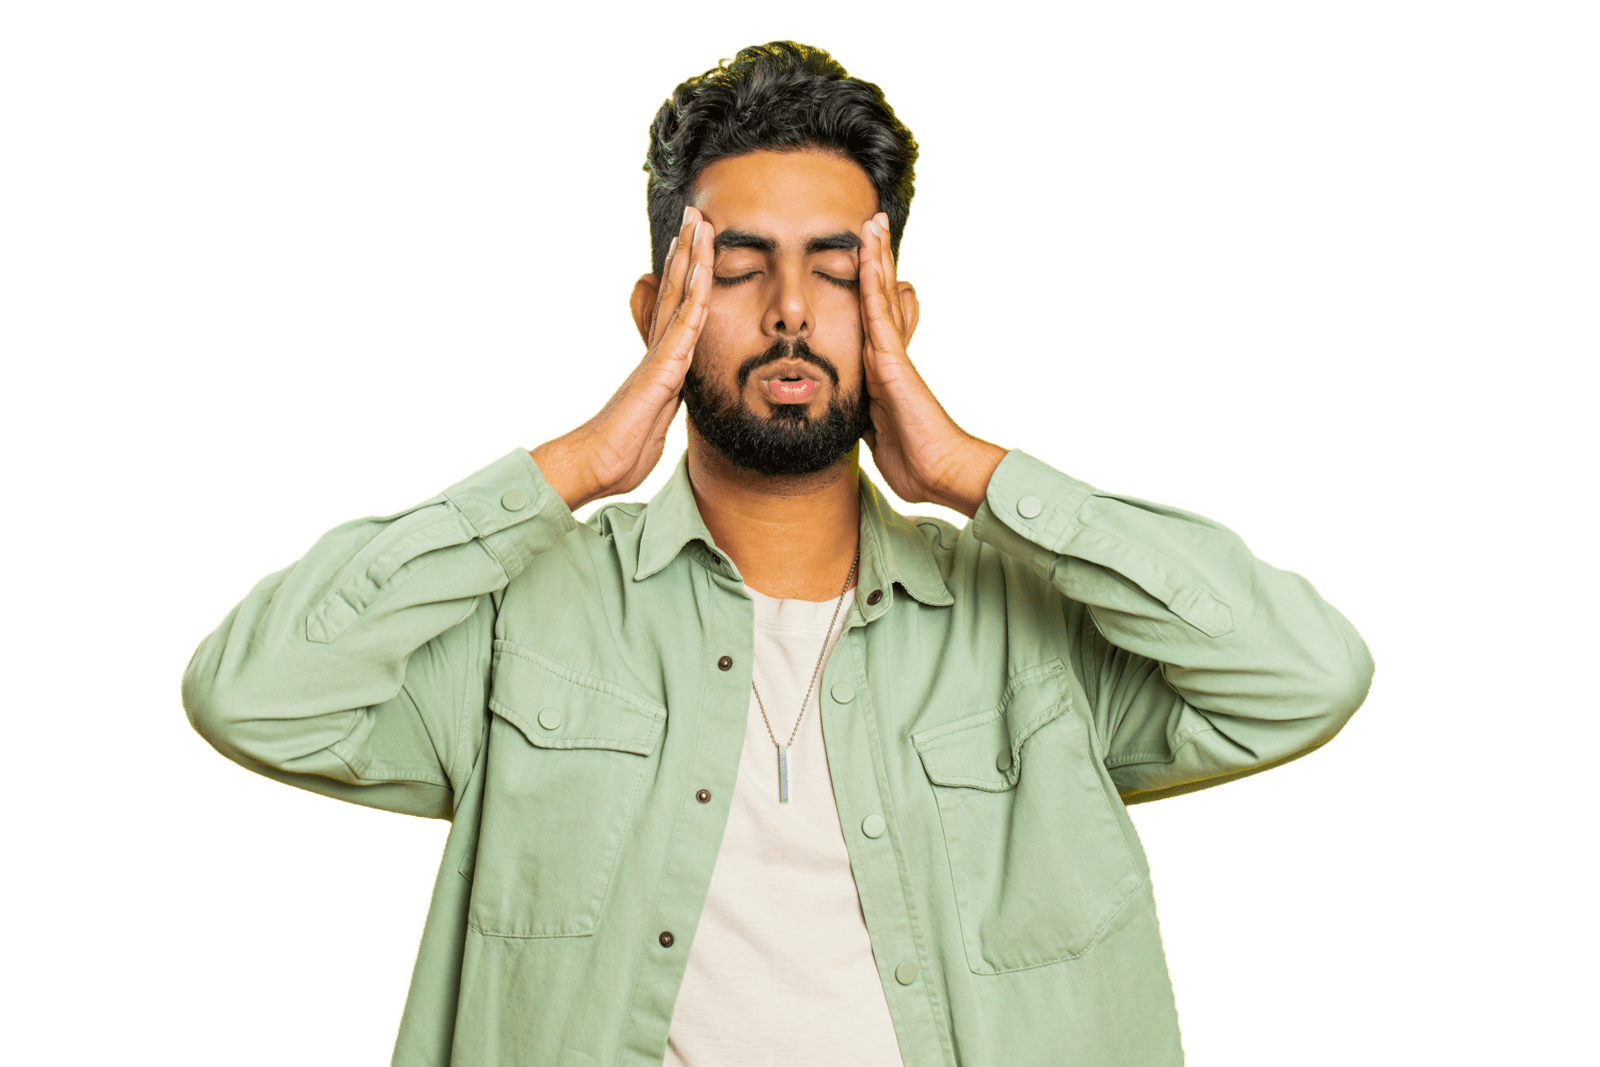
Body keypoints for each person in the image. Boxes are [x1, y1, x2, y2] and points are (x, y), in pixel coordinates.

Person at [181, 39, 1375, 1067]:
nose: (792, 311)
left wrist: (975, 474)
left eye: (839, 272)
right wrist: (576, 466)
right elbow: (253, 695)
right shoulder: (524, 621)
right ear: (656, 311)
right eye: (738, 272)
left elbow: (1303, 674)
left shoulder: (1035, 628)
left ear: (895, 315)